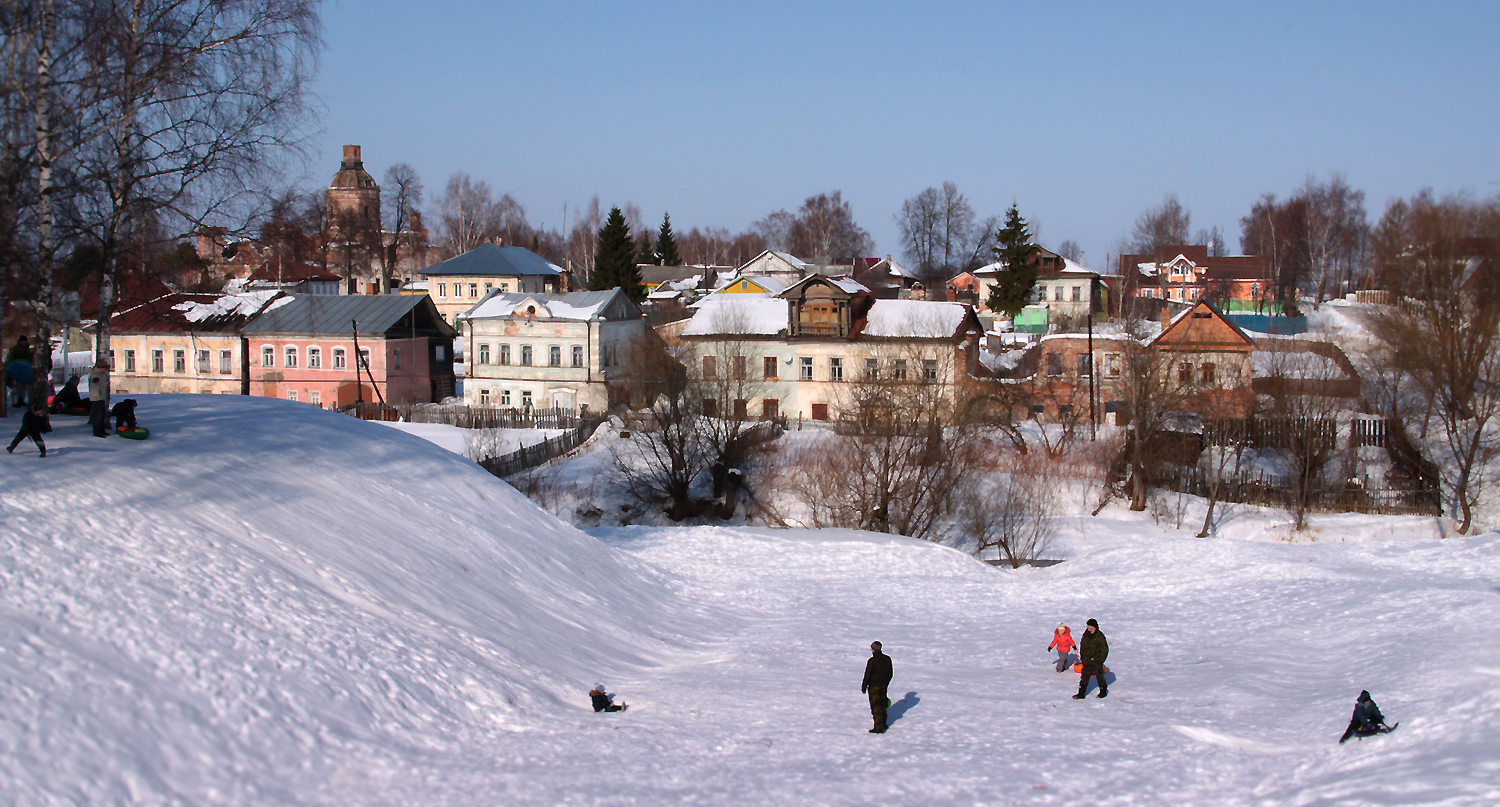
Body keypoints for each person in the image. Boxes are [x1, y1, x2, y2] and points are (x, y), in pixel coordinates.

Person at [861, 640, 893, 733]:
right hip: (883, 686)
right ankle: (883, 723)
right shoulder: (887, 659)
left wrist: (864, 687)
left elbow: (867, 675)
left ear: (873, 650)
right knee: (883, 704)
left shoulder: (872, 661)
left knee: (876, 706)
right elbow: (890, 673)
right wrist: (886, 683)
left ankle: (879, 727)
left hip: (873, 687)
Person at [1072, 618, 1109, 699]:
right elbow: (1082, 646)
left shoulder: (1100, 636)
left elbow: (1104, 650)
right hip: (1087, 661)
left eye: (1089, 625)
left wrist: (1099, 660)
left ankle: (1103, 691)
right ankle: (1081, 693)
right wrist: (1083, 658)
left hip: (1097, 661)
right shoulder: (1085, 635)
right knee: (1084, 678)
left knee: (1100, 677)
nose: (1087, 627)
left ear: (1093, 627)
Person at [5, 336, 34, 407]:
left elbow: (30, 360)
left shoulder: (28, 350)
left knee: (24, 386)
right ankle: (15, 401)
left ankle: (21, 399)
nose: (23, 342)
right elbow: (9, 359)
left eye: (24, 341)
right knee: (16, 386)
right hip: (16, 370)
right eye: (22, 341)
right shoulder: (14, 349)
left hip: (24, 371)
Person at [87, 360, 110, 437]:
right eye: (105, 368)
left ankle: (102, 430)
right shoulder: (95, 374)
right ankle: (97, 432)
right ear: (101, 368)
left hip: (101, 397)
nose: (106, 369)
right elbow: (94, 379)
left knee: (102, 415)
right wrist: (95, 380)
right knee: (98, 416)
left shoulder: (101, 374)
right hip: (96, 398)